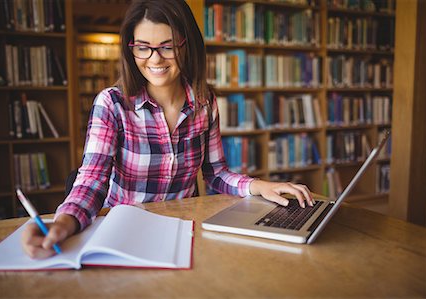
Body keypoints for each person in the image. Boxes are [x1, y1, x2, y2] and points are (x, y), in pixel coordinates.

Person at [21, 0, 314, 259]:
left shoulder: (204, 102)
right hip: (122, 232)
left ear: (187, 45)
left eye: (167, 46)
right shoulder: (112, 103)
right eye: (142, 48)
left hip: (178, 233)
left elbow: (217, 173)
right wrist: (63, 223)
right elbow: (91, 181)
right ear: (131, 48)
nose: (155, 59)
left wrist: (261, 186)